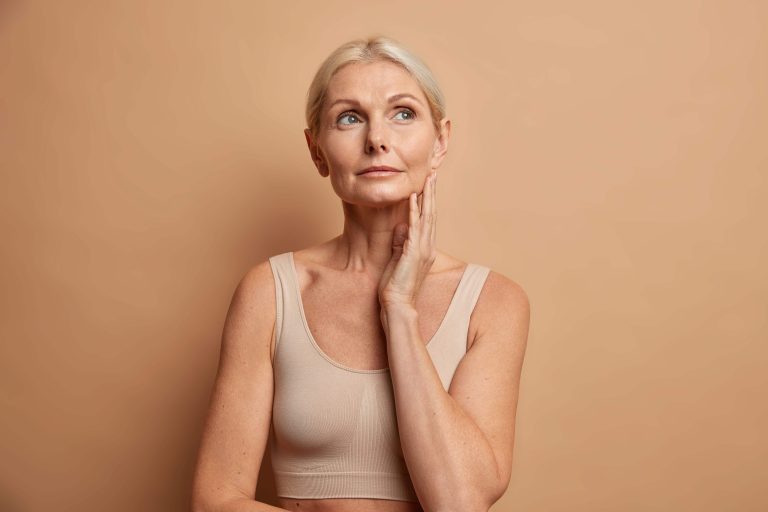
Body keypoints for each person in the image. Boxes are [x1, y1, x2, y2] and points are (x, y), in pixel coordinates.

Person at [191, 35, 530, 512]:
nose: (377, 139)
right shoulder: (269, 292)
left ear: (441, 141)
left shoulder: (493, 302)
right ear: (316, 151)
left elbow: (460, 502)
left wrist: (399, 310)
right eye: (349, 118)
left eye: (403, 113)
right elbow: (215, 500)